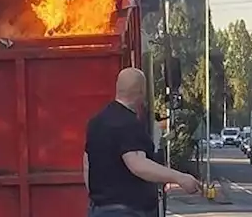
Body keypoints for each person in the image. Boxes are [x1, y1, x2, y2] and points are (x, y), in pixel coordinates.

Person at [84, 67, 200, 217]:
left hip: (98, 210)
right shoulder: (129, 123)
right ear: (141, 92)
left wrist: (100, 199)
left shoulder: (96, 122)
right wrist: (180, 178)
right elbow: (138, 164)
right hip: (127, 211)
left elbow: (87, 163)